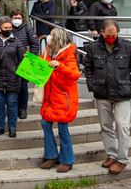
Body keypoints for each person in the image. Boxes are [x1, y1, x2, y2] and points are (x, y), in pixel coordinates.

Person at [84, 19, 131, 175]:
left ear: (118, 33)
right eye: (108, 35)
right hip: (102, 93)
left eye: (114, 35)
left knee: (122, 126)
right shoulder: (93, 48)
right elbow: (87, 69)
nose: (111, 38)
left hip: (122, 93)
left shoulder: (127, 46)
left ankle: (122, 159)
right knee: (106, 126)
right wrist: (92, 85)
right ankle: (111, 154)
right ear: (102, 32)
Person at [39, 28, 80, 173]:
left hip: (64, 98)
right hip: (51, 97)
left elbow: (75, 74)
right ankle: (51, 155)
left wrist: (59, 66)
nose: (48, 38)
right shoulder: (49, 52)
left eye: (51, 36)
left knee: (63, 129)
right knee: (45, 123)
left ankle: (67, 160)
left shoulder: (68, 55)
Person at [0, 16, 25, 138]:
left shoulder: (17, 42)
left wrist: (18, 73)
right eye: (5, 27)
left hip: (13, 78)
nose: (8, 29)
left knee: (12, 104)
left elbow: (22, 59)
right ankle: (0, 127)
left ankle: (12, 127)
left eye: (10, 27)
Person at [10, 9, 39, 119]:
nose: (17, 20)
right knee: (13, 87)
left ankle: (23, 109)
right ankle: (14, 108)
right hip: (11, 62)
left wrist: (31, 58)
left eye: (19, 18)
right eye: (15, 18)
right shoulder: (8, 28)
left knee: (23, 87)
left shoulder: (27, 28)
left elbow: (35, 44)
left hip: (25, 62)